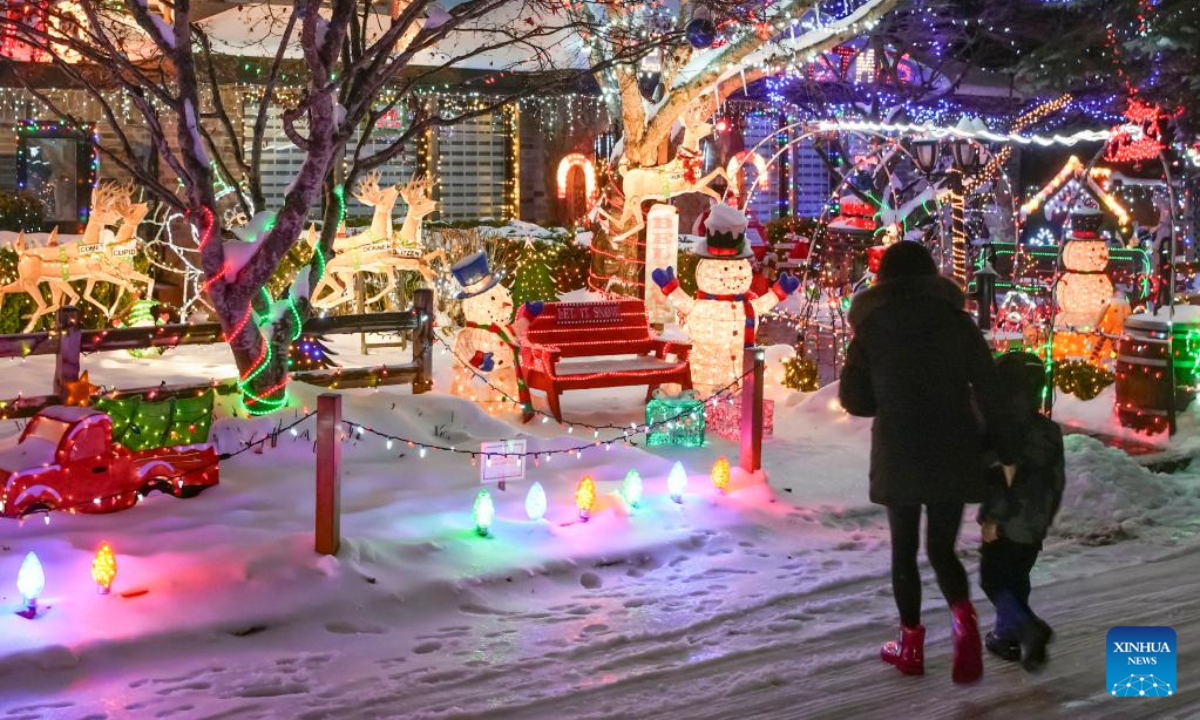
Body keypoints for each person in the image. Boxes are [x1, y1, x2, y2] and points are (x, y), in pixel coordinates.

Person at [839, 241, 1016, 684]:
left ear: (884, 281)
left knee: (904, 548)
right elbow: (991, 387)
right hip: (953, 444)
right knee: (941, 547)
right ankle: (964, 621)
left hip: (899, 446)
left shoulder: (871, 325)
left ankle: (911, 647)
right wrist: (1004, 447)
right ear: (932, 276)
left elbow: (855, 399)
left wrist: (891, 393)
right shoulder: (956, 321)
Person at [978, 351, 1064, 672]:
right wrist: (1043, 518)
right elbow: (1054, 480)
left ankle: (1028, 628)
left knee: (992, 579)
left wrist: (994, 521)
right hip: (1036, 522)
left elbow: (1002, 480)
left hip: (1006, 522)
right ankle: (1006, 635)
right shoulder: (1048, 431)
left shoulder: (1002, 433)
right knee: (1016, 578)